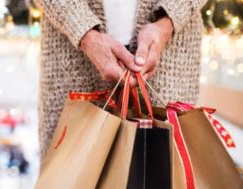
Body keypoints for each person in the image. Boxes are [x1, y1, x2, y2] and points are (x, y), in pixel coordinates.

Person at [38, 0, 207, 156]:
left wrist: (167, 23)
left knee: (163, 172)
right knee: (70, 173)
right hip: (71, 53)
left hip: (171, 50)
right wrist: (83, 31)